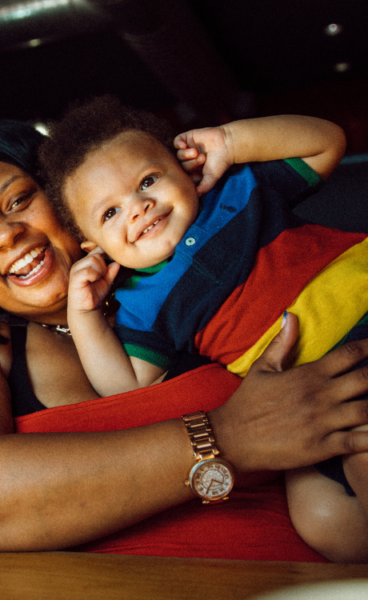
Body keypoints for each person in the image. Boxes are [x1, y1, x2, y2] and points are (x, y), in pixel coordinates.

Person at [0, 119, 368, 562]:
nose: (6, 236)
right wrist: (229, 437)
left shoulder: (186, 271)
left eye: (19, 201)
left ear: (68, 195)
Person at [37, 96, 368, 562]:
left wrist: (232, 142)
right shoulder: (139, 301)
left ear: (184, 168)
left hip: (360, 309)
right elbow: (126, 383)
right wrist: (84, 316)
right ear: (93, 244)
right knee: (325, 523)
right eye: (110, 213)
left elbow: (326, 142)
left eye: (148, 181)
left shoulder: (238, 189)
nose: (138, 208)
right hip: (310, 395)